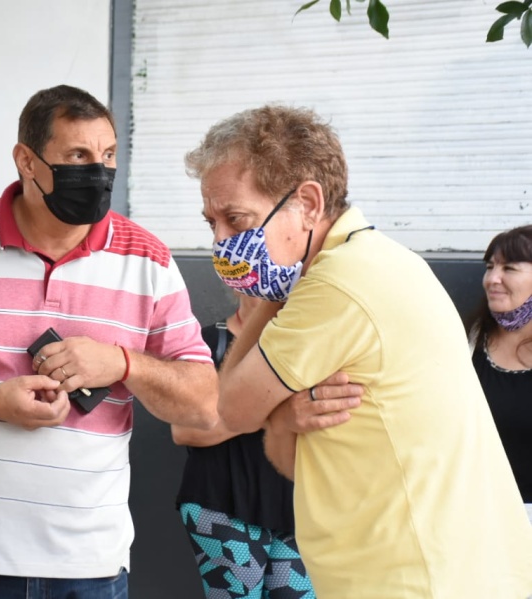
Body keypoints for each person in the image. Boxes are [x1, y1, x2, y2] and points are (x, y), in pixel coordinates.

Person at [0, 84, 217, 598]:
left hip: (90, 565)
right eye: (77, 156)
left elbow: (204, 403)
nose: (98, 171)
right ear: (26, 161)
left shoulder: (148, 259)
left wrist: (122, 363)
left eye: (108, 155)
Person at [185, 105, 532, 598]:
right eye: (212, 223)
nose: (221, 242)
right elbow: (309, 460)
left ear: (308, 202)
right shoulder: (385, 260)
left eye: (236, 219)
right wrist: (283, 417)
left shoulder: (335, 284)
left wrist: (272, 300)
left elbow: (233, 407)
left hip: (409, 578)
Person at [173, 292, 362, 599]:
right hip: (224, 502)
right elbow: (184, 431)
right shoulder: (209, 343)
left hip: (297, 509)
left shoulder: (310, 350)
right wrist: (276, 415)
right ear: (235, 285)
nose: (268, 291)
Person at [467, 224, 532, 523]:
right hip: (475, 514)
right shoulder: (469, 339)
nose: (493, 278)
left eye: (509, 268)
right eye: (490, 267)